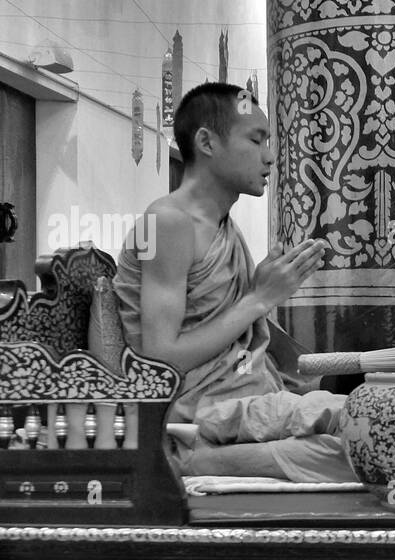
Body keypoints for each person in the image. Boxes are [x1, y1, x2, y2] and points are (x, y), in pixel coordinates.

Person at [114, 82, 356, 483]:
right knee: (370, 441)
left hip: (245, 403)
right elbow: (159, 358)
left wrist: (259, 289)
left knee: (371, 424)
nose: (270, 157)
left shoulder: (222, 225)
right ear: (207, 142)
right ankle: (193, 462)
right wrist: (259, 299)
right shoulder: (168, 221)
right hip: (201, 412)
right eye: (256, 139)